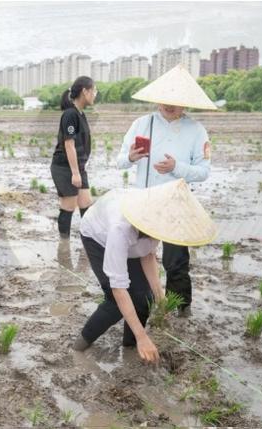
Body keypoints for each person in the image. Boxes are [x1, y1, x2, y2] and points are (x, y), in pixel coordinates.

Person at [73, 179, 217, 363]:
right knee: (115, 303)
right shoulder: (121, 229)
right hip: (98, 236)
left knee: (144, 298)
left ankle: (131, 347)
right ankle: (79, 346)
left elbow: (147, 254)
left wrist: (159, 295)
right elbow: (118, 289)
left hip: (129, 237)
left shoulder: (157, 222)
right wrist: (144, 337)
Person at [116, 64, 216, 316]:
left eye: (175, 100)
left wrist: (176, 167)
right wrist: (131, 156)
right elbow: (119, 161)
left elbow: (203, 171)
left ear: (186, 103)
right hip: (145, 200)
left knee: (176, 261)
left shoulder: (196, 131)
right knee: (138, 255)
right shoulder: (142, 123)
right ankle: (141, 301)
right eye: (165, 99)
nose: (168, 105)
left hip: (176, 202)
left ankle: (180, 308)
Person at [50, 76, 97, 239]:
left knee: (86, 204)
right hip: (65, 168)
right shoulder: (70, 114)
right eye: (94, 90)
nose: (95, 94)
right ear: (85, 91)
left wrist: (79, 170)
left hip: (78, 167)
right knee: (68, 205)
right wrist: (75, 173)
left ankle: (89, 243)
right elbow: (69, 144)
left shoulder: (80, 113)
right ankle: (64, 244)